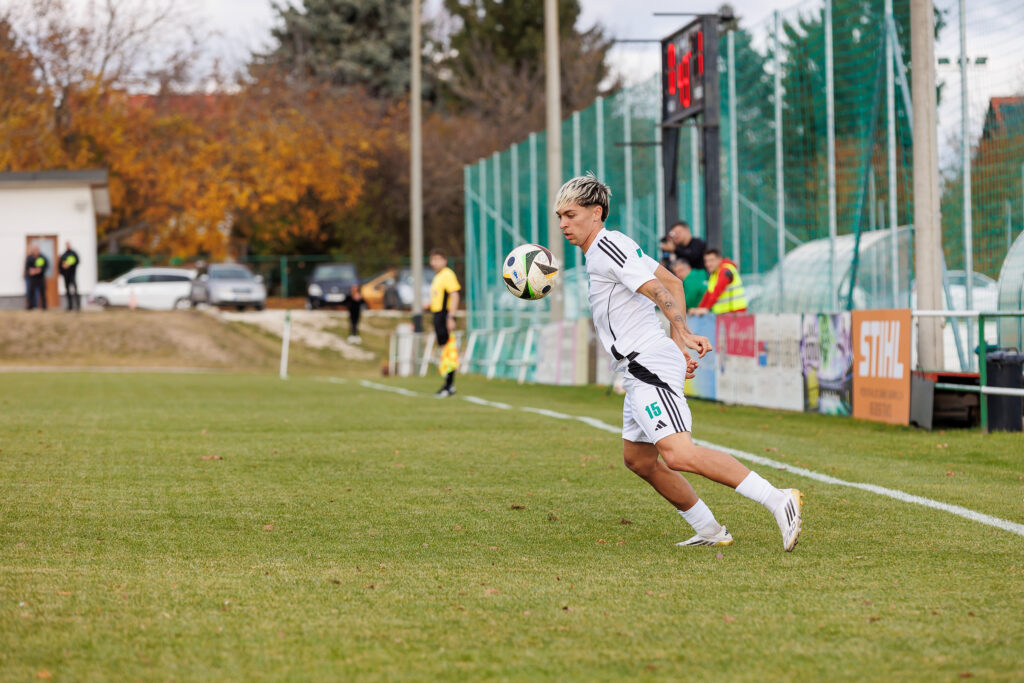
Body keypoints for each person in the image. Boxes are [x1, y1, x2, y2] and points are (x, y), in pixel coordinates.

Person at [555, 174, 803, 551]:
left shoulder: (607, 246)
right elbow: (673, 282)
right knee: (639, 460)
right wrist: (679, 347)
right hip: (643, 365)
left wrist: (683, 334)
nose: (563, 224)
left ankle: (778, 498)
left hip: (647, 365)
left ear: (596, 213)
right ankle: (710, 529)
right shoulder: (607, 249)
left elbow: (657, 290)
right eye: (560, 216)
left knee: (678, 453)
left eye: (571, 215)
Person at [427, 248, 461, 397]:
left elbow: (454, 295)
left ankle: (449, 385)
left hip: (444, 316)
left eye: (437, 259)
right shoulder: (438, 276)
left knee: (448, 350)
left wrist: (450, 317)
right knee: (443, 349)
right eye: (432, 259)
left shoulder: (447, 274)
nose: (434, 262)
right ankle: (447, 384)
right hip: (438, 315)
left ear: (444, 260)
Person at [690, 248, 747, 316]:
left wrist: (706, 309)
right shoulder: (714, 274)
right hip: (726, 314)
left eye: (712, 260)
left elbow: (717, 290)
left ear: (719, 259)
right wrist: (699, 309)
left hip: (735, 313)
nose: (708, 264)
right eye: (706, 261)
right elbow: (709, 294)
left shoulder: (725, 270)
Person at [25, 243, 48, 311]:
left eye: (37, 249)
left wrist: (40, 270)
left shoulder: (42, 257)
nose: (36, 250)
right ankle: (30, 306)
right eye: (34, 249)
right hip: (32, 278)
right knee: (31, 292)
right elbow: (27, 267)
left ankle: (44, 307)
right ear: (33, 250)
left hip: (41, 278)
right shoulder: (29, 258)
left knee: (42, 292)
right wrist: (30, 271)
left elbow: (46, 266)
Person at [58, 241, 81, 311]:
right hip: (66, 275)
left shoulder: (73, 254)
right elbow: (60, 265)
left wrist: (69, 264)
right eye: (66, 245)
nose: (67, 246)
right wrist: (62, 270)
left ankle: (78, 305)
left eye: (68, 245)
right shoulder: (64, 255)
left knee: (75, 290)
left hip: (72, 274)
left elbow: (77, 261)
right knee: (67, 291)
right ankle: (70, 306)